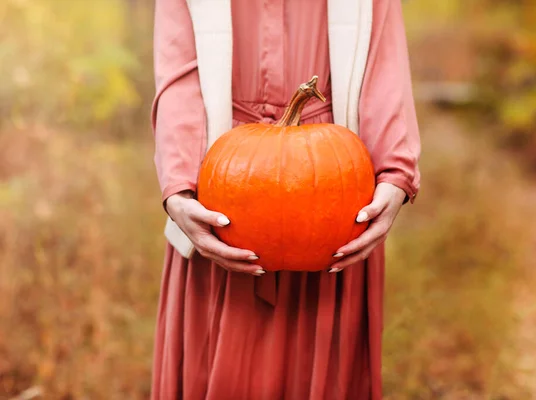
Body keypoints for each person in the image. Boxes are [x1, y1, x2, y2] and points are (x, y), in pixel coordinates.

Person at [151, 0, 421, 398]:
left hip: (332, 193)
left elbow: (384, 67)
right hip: (221, 192)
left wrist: (396, 174)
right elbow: (178, 74)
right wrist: (178, 189)